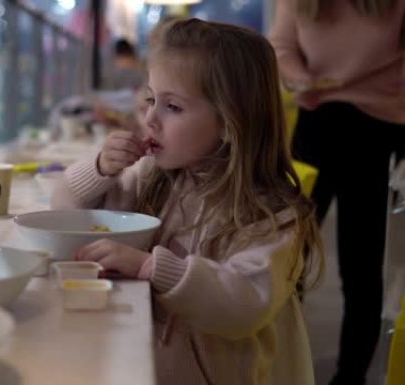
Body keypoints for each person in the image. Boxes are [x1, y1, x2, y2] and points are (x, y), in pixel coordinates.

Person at [52, 18, 324, 385]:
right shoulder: (153, 176)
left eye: (173, 107)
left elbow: (243, 304)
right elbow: (62, 213)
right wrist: (99, 168)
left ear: (230, 122)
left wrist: (151, 267)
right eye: (150, 99)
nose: (149, 118)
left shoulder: (270, 214)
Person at [269, 1, 405, 384]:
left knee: (361, 267)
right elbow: (281, 47)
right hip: (316, 123)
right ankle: (280, 365)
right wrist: (299, 79)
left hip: (378, 129)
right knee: (284, 254)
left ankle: (350, 377)